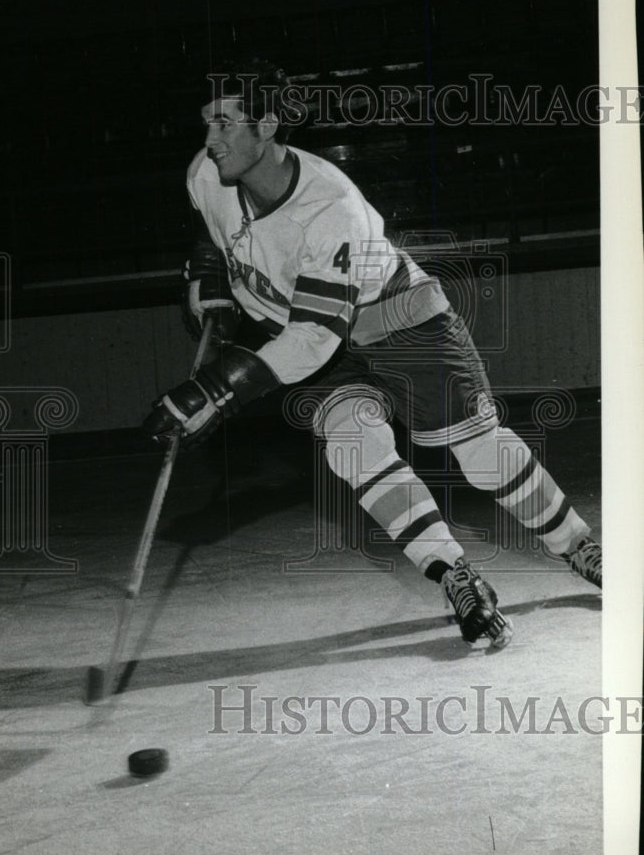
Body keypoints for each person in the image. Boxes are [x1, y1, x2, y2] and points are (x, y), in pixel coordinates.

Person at [143, 59, 602, 648]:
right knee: (353, 446)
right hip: (313, 333)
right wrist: (206, 274)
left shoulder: (332, 207)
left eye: (227, 123)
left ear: (268, 126)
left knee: (480, 452)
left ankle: (577, 546)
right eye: (207, 121)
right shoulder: (208, 174)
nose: (211, 139)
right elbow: (210, 227)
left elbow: (315, 338)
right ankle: (454, 573)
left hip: (396, 319)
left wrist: (215, 388)